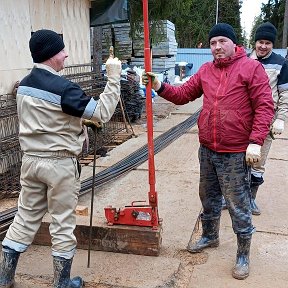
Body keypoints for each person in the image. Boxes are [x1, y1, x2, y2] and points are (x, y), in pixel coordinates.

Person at [142, 23, 274, 280]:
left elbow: (265, 106)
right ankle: (210, 236)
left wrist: (255, 141)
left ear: (233, 44)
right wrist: (159, 85)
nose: (216, 47)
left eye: (221, 41)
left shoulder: (250, 68)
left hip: (236, 152)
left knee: (238, 204)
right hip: (208, 149)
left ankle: (243, 254)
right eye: (212, 43)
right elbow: (183, 95)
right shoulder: (206, 71)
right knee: (209, 197)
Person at [0, 29, 122, 288]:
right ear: (50, 55)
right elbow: (101, 113)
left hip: (31, 162)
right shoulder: (64, 89)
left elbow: (49, 117)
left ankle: (5, 277)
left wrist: (78, 122)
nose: (66, 54)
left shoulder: (25, 85)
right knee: (62, 224)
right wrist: (114, 78)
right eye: (62, 50)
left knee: (24, 217)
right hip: (59, 165)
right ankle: (62, 283)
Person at [247, 22, 288, 215]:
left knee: (257, 162)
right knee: (236, 161)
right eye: (260, 42)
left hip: (266, 121)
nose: (263, 46)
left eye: (268, 43)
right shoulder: (246, 60)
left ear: (273, 44)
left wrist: (281, 118)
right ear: (255, 42)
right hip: (243, 120)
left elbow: (285, 94)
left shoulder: (281, 63)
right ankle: (232, 197)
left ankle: (250, 199)